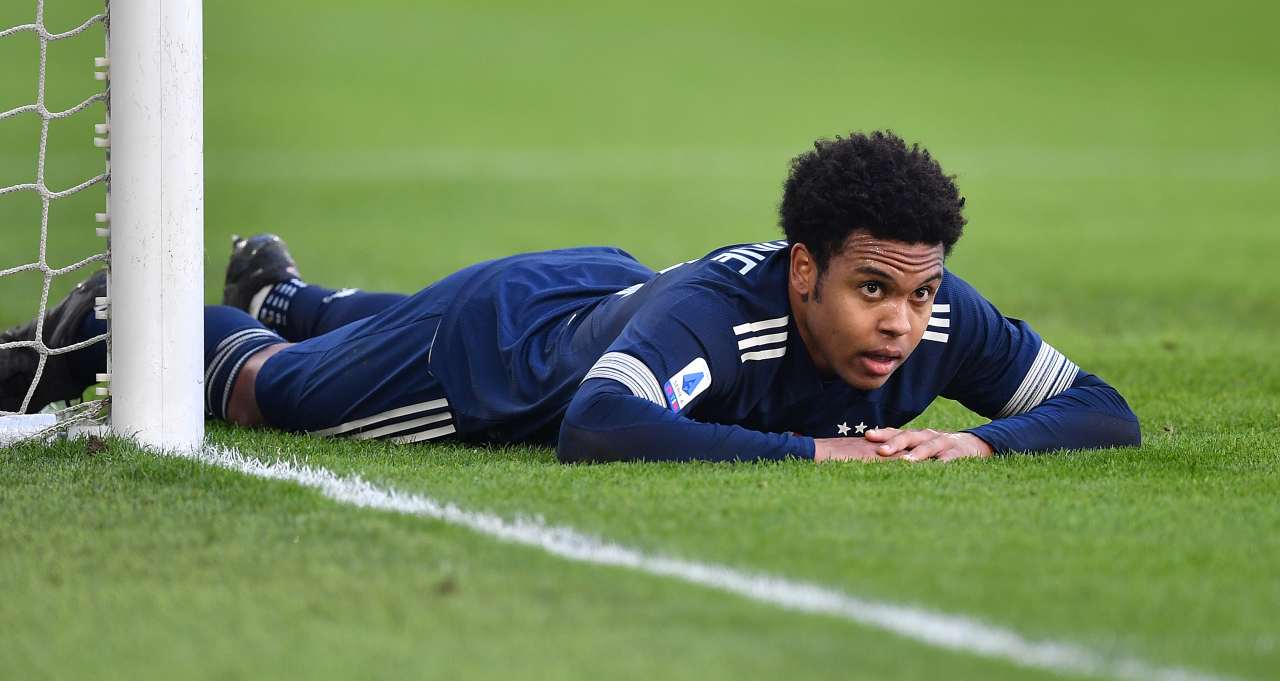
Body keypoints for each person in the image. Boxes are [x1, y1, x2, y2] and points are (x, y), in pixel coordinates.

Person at [0, 131, 1141, 462]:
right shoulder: (724, 317)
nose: (900, 321)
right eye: (869, 290)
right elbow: (600, 425)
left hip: (592, 293)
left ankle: (291, 292)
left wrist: (989, 447)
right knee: (265, 393)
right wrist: (815, 458)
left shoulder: (941, 315)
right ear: (804, 273)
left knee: (341, 329)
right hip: (491, 360)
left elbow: (1100, 408)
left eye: (919, 290)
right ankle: (119, 313)